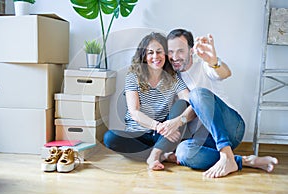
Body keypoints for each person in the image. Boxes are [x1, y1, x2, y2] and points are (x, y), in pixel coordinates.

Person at [161, 28, 278, 178]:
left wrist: (214, 62)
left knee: (197, 94)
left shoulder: (203, 64)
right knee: (184, 152)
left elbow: (225, 73)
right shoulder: (172, 78)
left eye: (180, 51)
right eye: (171, 52)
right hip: (206, 137)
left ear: (191, 51)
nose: (174, 57)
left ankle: (225, 153)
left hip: (230, 127)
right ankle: (243, 161)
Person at [103, 32, 195, 170]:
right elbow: (134, 112)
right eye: (150, 53)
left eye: (159, 52)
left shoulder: (173, 78)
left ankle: (155, 154)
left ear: (165, 55)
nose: (155, 57)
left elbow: (192, 103)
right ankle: (163, 155)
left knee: (182, 104)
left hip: (163, 135)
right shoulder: (133, 76)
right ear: (144, 56)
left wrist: (177, 122)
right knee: (110, 138)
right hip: (138, 135)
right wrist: (157, 126)